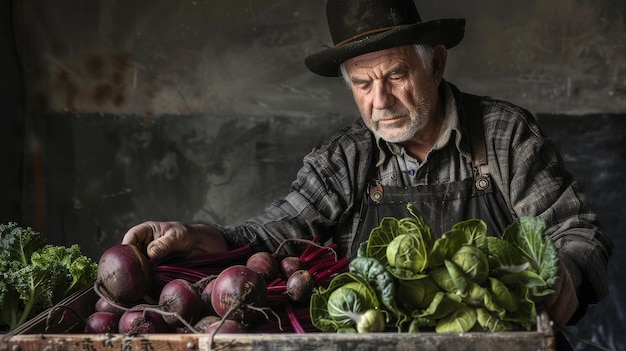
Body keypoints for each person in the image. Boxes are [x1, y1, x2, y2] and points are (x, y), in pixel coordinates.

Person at [122, 0, 613, 345]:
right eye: (363, 84)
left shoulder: (504, 135)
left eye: (396, 75)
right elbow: (268, 236)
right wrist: (193, 235)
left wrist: (563, 277)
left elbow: (578, 233)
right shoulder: (346, 159)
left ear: (435, 64)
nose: (381, 102)